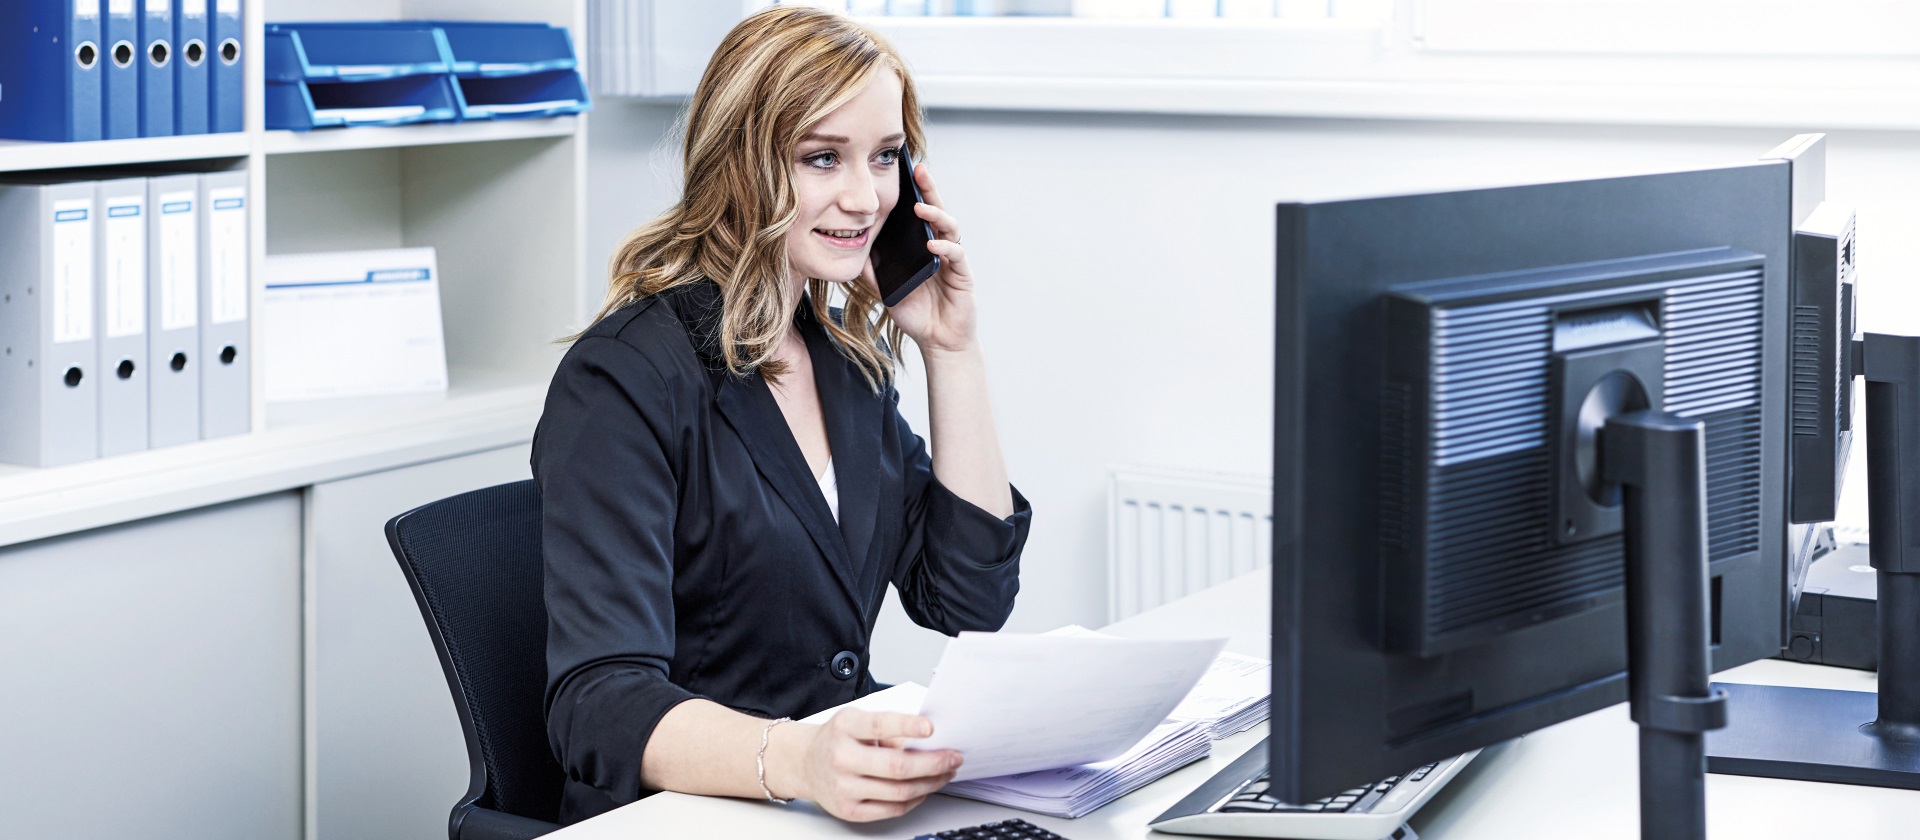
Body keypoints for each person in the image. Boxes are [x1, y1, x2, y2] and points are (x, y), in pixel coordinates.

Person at [532, 5, 1033, 825]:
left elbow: (966, 601)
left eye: (885, 158)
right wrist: (798, 757)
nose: (865, 196)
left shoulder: (844, 365)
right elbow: (598, 702)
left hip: (823, 804)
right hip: (694, 812)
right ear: (740, 163)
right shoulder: (622, 379)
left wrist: (952, 351)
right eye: (822, 158)